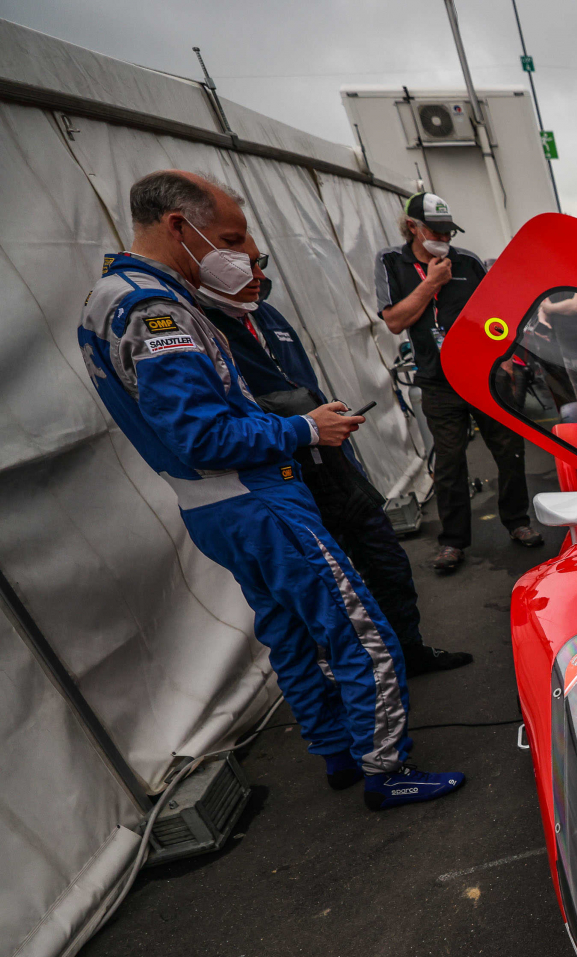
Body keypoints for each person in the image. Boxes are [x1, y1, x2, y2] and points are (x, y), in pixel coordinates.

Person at [78, 170, 465, 810]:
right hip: (255, 499)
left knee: (287, 633)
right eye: (229, 238)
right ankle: (386, 768)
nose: (240, 254)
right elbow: (204, 435)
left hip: (216, 507)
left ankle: (340, 753)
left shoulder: (113, 297)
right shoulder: (154, 308)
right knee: (360, 632)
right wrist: (302, 428)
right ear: (179, 226)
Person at [198, 241, 474, 676]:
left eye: (260, 263)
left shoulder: (267, 315)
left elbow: (305, 386)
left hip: (333, 464)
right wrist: (299, 423)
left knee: (386, 559)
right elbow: (221, 422)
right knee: (335, 587)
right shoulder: (204, 328)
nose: (257, 273)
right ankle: (368, 673)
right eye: (245, 262)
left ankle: (409, 650)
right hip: (285, 478)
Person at [377, 192, 542, 574]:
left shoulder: (467, 262)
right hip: (437, 381)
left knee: (509, 449)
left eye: (449, 231)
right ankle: (453, 542)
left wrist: (506, 361)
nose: (444, 238)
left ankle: (517, 520)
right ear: (413, 228)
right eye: (436, 231)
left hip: (483, 375)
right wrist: (432, 283)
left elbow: (495, 315)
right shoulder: (391, 262)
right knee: (450, 462)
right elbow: (394, 321)